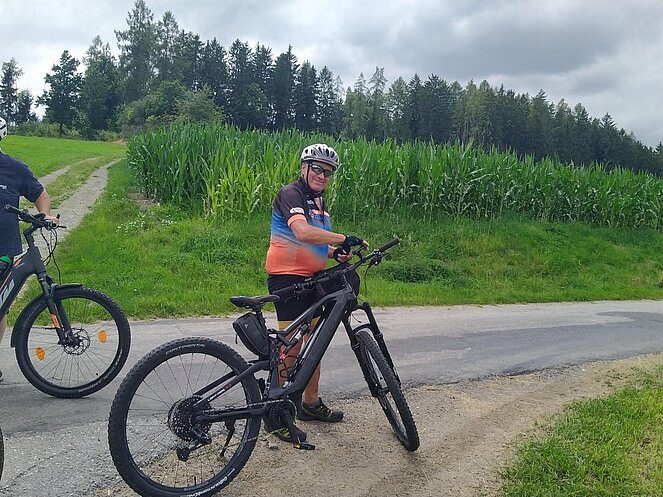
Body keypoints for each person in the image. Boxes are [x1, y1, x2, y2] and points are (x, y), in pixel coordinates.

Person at [264, 143, 369, 442]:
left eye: (328, 172)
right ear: (304, 167)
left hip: (312, 279)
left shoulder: (319, 203)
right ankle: (274, 413)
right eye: (317, 169)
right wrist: (343, 237)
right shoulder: (291, 194)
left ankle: (310, 404)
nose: (322, 175)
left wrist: (335, 253)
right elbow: (301, 232)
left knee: (314, 342)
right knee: (292, 346)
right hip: (287, 280)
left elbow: (312, 243)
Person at [0, 116, 58, 382]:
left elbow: (40, 195)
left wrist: (45, 214)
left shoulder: (14, 168)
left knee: (1, 307)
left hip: (4, 249)